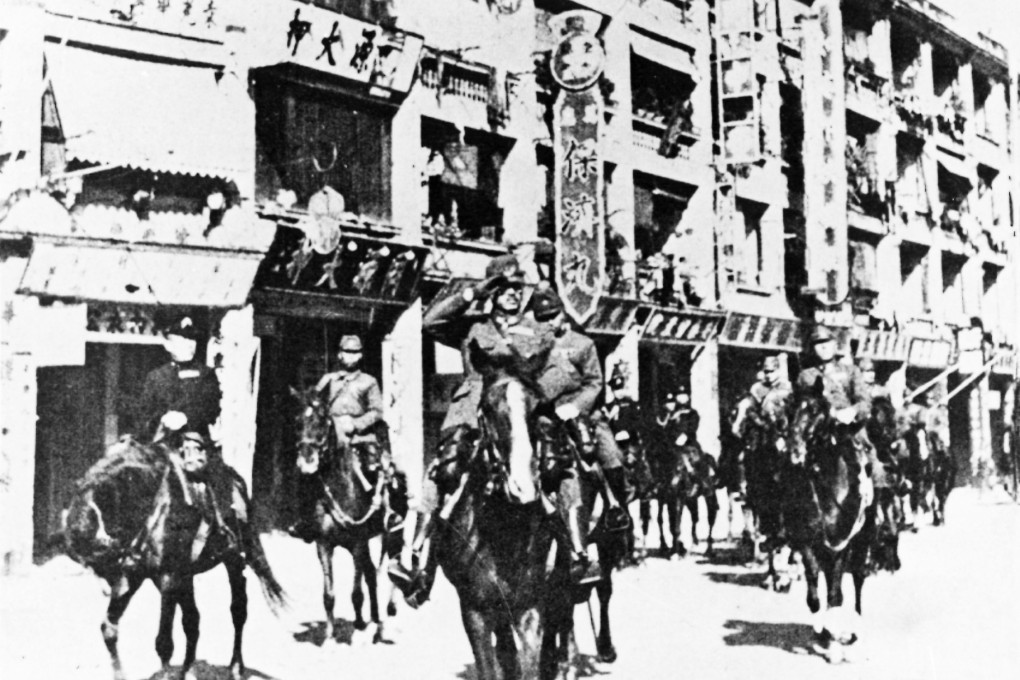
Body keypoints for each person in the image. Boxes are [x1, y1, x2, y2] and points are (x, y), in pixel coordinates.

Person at [389, 255, 554, 603]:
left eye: (516, 289)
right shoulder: (471, 326)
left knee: (561, 464)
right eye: (503, 288)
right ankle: (417, 560)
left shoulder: (536, 328)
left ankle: (578, 556)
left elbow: (539, 367)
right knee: (443, 469)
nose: (511, 294)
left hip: (521, 411)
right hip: (471, 410)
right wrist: (472, 294)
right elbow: (430, 321)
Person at [530, 288, 628, 585]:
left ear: (564, 313)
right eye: (542, 318)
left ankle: (616, 511)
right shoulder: (531, 344)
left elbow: (595, 383)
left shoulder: (583, 344)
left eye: (553, 316)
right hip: (543, 414)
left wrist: (575, 407)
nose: (548, 322)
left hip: (579, 414)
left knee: (611, 456)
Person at [288, 334, 401, 542]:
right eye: (347, 352)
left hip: (360, 438)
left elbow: (377, 412)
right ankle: (305, 519)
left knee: (380, 469)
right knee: (307, 471)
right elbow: (314, 402)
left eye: (355, 352)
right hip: (332, 439)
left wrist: (355, 423)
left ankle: (388, 513)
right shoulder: (328, 380)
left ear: (360, 356)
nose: (351, 357)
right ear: (340, 354)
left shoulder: (369, 382)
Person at [796, 326, 886, 489]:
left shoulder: (851, 371)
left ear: (834, 344)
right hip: (821, 427)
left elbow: (864, 401)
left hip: (850, 428)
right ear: (812, 348)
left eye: (827, 342)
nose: (823, 347)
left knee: (869, 464)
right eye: (818, 343)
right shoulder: (806, 376)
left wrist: (852, 411)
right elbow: (804, 404)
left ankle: (872, 501)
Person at [137, 315, 222, 446]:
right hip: (164, 447)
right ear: (168, 345)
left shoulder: (207, 375)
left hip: (195, 447)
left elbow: (212, 409)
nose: (190, 344)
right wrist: (163, 419)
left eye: (192, 338)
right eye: (183, 338)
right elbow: (144, 415)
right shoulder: (156, 377)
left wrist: (187, 418)